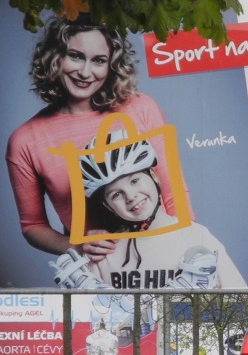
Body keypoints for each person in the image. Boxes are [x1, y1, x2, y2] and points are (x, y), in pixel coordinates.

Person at [6, 16, 184, 261]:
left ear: (111, 65)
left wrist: (187, 246)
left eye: (99, 60)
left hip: (162, 253)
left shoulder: (141, 107)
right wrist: (75, 247)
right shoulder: (25, 141)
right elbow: (32, 225)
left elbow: (174, 193)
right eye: (75, 56)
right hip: (97, 270)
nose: (85, 72)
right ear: (54, 57)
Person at [77, 133, 243, 289]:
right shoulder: (104, 253)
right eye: (116, 194)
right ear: (107, 206)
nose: (131, 196)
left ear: (153, 176)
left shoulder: (195, 236)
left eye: (134, 181)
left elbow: (241, 304)